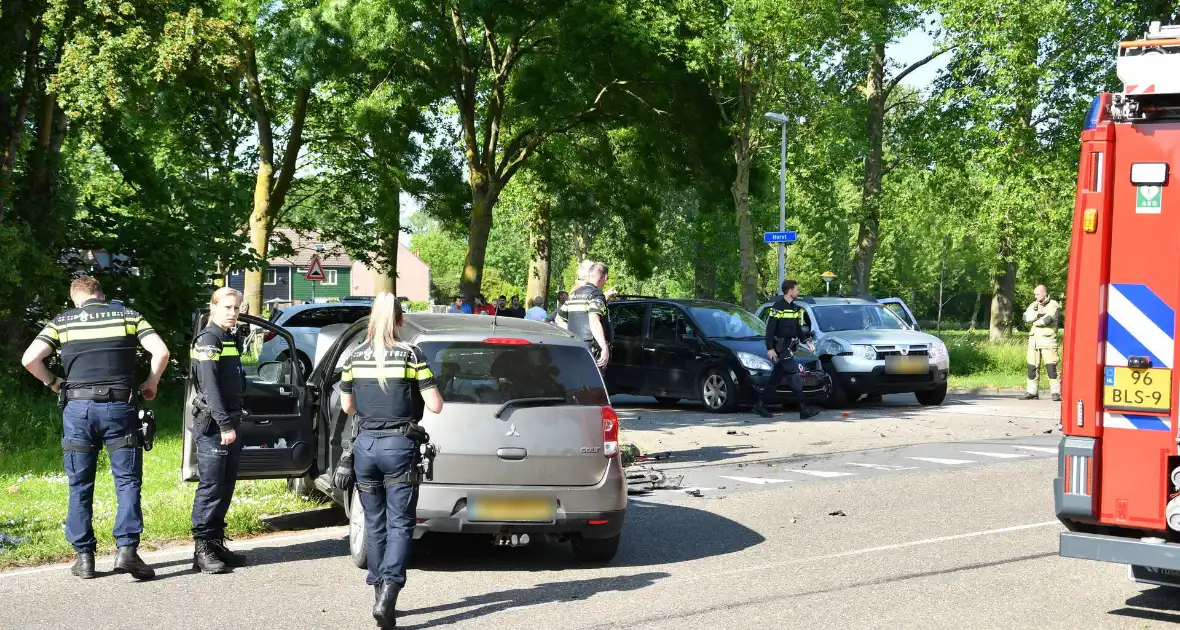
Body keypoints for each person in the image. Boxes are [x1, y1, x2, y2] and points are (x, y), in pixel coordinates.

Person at [21, 276, 169, 580]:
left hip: (78, 410)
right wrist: (151, 382)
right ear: (101, 295)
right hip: (119, 406)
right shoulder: (127, 314)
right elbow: (162, 352)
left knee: (80, 482)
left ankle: (85, 558)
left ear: (76, 299)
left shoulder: (62, 321)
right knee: (127, 480)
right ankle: (127, 550)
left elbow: (29, 359)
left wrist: (52, 382)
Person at [331, 293, 443, 629]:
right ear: (400, 320)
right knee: (400, 523)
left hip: (365, 447)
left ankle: (378, 589)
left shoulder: (355, 357)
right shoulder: (411, 354)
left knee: (375, 522)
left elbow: (348, 406)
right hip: (399, 447)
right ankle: (390, 592)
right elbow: (435, 405)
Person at [189, 287, 250, 573]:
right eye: (227, 307)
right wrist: (225, 424)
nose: (232, 312)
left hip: (229, 420)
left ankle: (215, 544)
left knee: (225, 486)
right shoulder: (209, 338)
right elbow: (210, 386)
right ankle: (202, 549)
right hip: (214, 424)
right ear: (213, 308)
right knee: (212, 486)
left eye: (236, 308)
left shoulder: (229, 337)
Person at [754, 279, 820, 420]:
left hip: (789, 347)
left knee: (775, 379)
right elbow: (769, 330)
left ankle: (760, 405)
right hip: (780, 348)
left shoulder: (795, 308)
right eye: (796, 289)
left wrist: (806, 342)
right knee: (794, 373)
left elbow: (797, 328)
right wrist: (770, 348)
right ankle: (803, 409)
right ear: (790, 291)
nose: (798, 292)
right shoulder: (778, 307)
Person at [556, 262, 611, 369]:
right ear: (605, 278)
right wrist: (604, 347)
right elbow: (594, 319)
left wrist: (572, 336)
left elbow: (559, 318)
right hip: (590, 349)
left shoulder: (573, 295)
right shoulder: (596, 295)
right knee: (594, 382)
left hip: (575, 346)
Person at [1023, 285, 1062, 401]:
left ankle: (1056, 393)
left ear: (1044, 293)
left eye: (1037, 294)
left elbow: (1048, 320)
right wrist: (1037, 316)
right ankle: (1032, 392)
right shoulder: (1033, 305)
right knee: (1032, 368)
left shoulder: (1054, 304)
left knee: (1052, 368)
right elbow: (1025, 318)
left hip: (1048, 342)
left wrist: (1035, 321)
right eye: (1034, 294)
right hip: (1034, 342)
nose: (1035, 296)